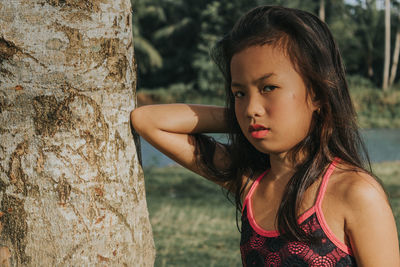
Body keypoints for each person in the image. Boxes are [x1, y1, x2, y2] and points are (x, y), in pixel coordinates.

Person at [130, 5, 400, 266]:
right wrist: (240, 120)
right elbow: (147, 121)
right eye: (240, 94)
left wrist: (247, 117)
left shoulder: (356, 193)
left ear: (317, 93)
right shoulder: (250, 180)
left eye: (269, 87)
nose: (251, 108)